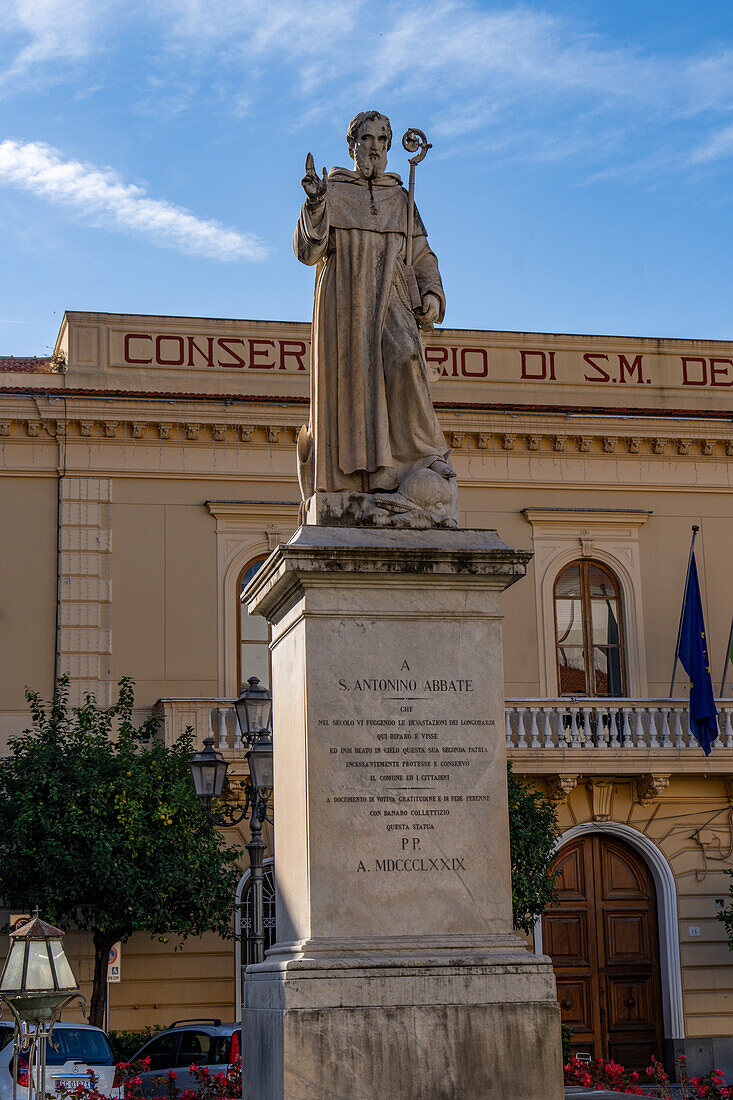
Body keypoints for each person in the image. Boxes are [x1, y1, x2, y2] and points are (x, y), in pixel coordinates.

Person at [294, 110, 457, 528]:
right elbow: (307, 252)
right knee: (351, 385)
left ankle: (424, 456)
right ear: (353, 145)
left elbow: (420, 255)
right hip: (346, 307)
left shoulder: (400, 199)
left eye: (382, 141)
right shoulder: (334, 190)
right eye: (368, 140)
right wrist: (315, 204)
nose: (376, 148)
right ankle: (362, 480)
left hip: (393, 296)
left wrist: (432, 294)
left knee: (406, 360)